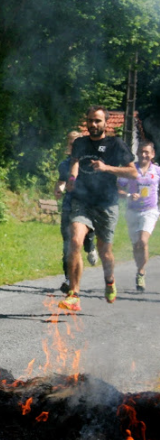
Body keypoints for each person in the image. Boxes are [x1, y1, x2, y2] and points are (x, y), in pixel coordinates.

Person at [58, 106, 137, 311]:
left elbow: (133, 173)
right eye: (91, 121)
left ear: (105, 123)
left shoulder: (116, 144)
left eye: (98, 121)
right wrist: (72, 179)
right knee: (75, 241)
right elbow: (75, 163)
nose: (94, 125)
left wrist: (106, 168)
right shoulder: (80, 143)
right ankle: (74, 294)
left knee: (105, 252)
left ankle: (109, 281)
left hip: (106, 204)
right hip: (82, 201)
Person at [54, 131, 98, 294]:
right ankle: (68, 279)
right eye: (72, 144)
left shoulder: (90, 162)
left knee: (83, 238)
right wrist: (58, 189)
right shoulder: (64, 165)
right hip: (68, 206)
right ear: (68, 146)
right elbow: (61, 182)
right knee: (68, 245)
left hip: (87, 207)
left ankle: (91, 245)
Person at [117, 140, 160, 292]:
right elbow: (118, 189)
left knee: (143, 240)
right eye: (141, 152)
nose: (143, 155)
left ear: (152, 154)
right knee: (136, 246)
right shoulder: (130, 170)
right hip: (132, 211)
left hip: (150, 211)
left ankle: (142, 272)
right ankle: (139, 269)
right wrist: (128, 194)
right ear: (137, 153)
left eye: (147, 152)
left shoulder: (157, 171)